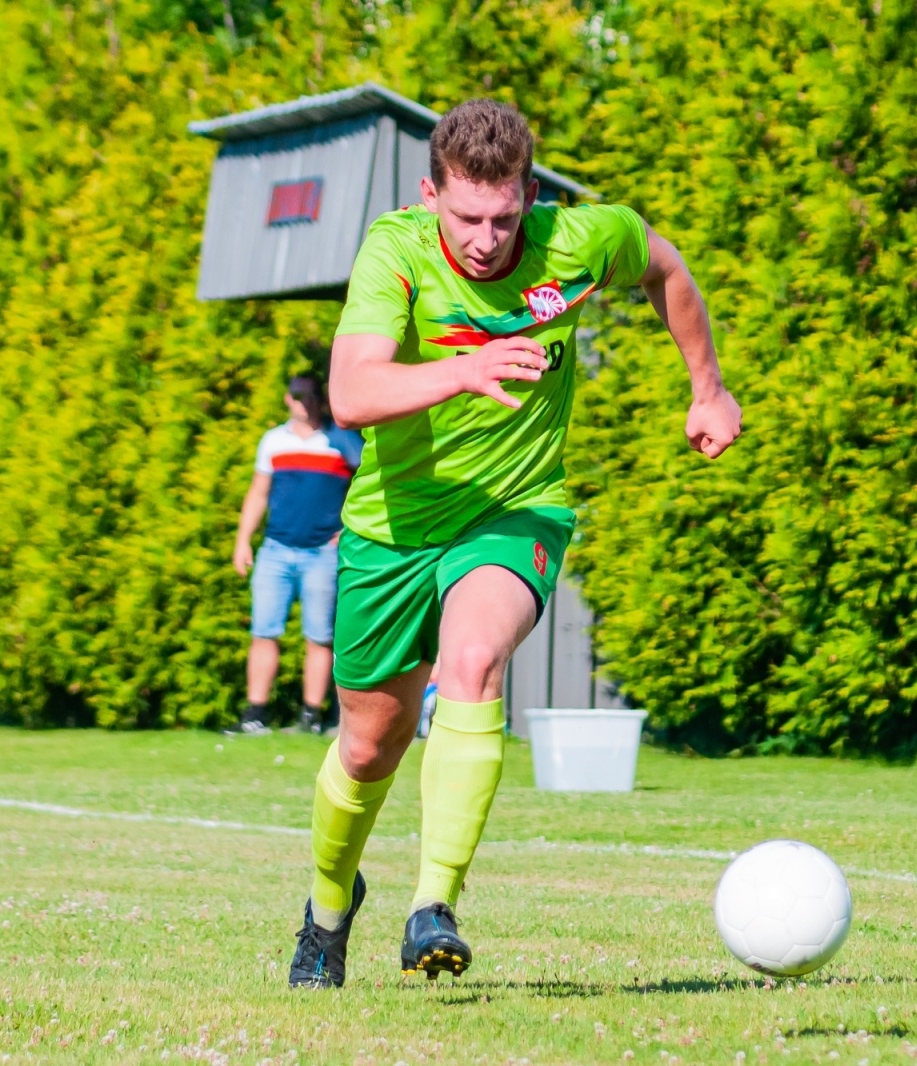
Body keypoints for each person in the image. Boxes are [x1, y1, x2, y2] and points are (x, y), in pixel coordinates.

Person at [287, 99, 742, 989]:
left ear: (529, 196)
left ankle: (433, 906)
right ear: (431, 196)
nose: (489, 239)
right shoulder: (398, 250)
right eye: (467, 218)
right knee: (367, 749)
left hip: (514, 510)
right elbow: (350, 392)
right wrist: (463, 368)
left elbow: (664, 265)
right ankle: (326, 913)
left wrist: (707, 387)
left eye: (505, 217)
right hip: (391, 532)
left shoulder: (579, 239)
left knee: (473, 662)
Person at [233, 374, 365, 735]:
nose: (303, 403)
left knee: (319, 636)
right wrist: (243, 540)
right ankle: (255, 714)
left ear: (320, 400)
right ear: (287, 399)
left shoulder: (343, 442)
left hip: (322, 552)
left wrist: (348, 531)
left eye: (309, 396)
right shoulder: (274, 441)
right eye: (296, 396)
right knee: (263, 631)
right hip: (276, 549)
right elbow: (259, 493)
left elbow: (366, 487)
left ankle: (310, 716)